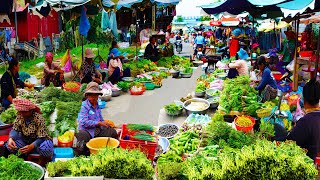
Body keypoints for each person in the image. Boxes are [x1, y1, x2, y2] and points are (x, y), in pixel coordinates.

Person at [5, 98, 54, 166]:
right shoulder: (20, 116)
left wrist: (32, 146)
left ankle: (43, 163)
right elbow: (15, 129)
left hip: (39, 143)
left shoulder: (39, 119)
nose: (22, 114)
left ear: (31, 111)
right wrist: (11, 138)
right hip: (25, 141)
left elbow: (42, 137)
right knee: (9, 145)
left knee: (47, 147)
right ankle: (22, 160)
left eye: (24, 112)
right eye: (20, 112)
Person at [75, 82, 118, 156]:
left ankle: (110, 151)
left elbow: (100, 119)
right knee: (81, 135)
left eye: (96, 95)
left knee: (112, 132)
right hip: (86, 131)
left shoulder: (97, 105)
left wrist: (105, 123)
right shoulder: (83, 106)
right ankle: (84, 154)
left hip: (96, 131)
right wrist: (98, 123)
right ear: (87, 96)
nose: (94, 97)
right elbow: (83, 122)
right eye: (91, 95)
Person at [287, 79, 320, 161]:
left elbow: (289, 142)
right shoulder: (312, 118)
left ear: (304, 100)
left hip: (307, 161)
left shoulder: (305, 122)